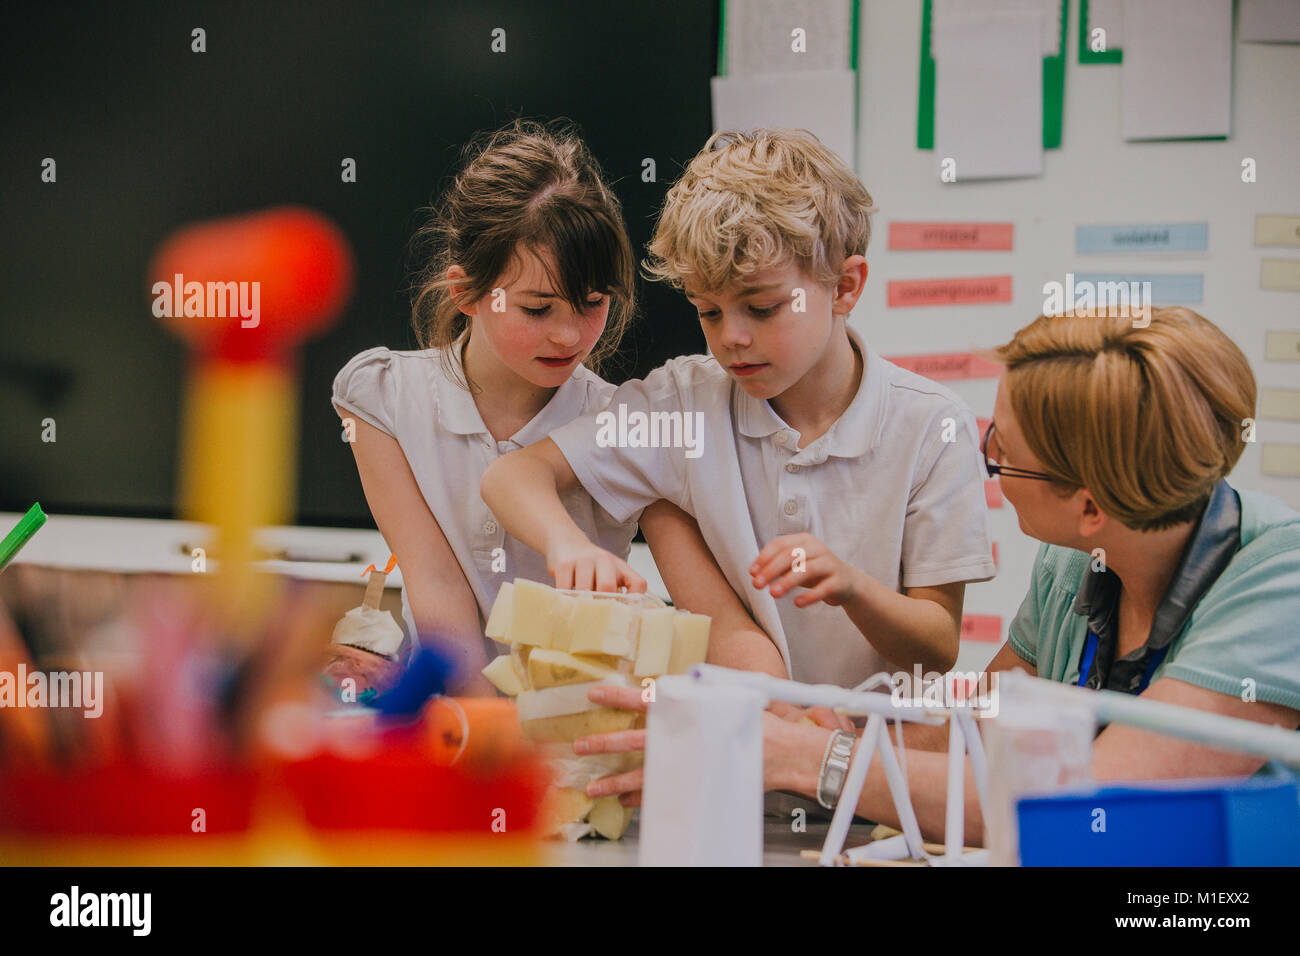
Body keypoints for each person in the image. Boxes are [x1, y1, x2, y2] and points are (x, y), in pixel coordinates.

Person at [581, 307, 1300, 841]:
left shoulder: (1277, 583)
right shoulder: (1077, 561)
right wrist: (824, 728)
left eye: (1002, 456)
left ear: (1089, 507)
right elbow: (979, 722)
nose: (988, 467)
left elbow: (1091, 805)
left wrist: (811, 758)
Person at [481, 129, 996, 693]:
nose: (733, 339)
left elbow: (939, 647)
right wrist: (567, 545)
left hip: (874, 758)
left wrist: (852, 586)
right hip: (739, 748)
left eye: (762, 307)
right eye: (709, 312)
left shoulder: (931, 427)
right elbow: (513, 475)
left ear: (845, 287)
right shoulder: (682, 403)